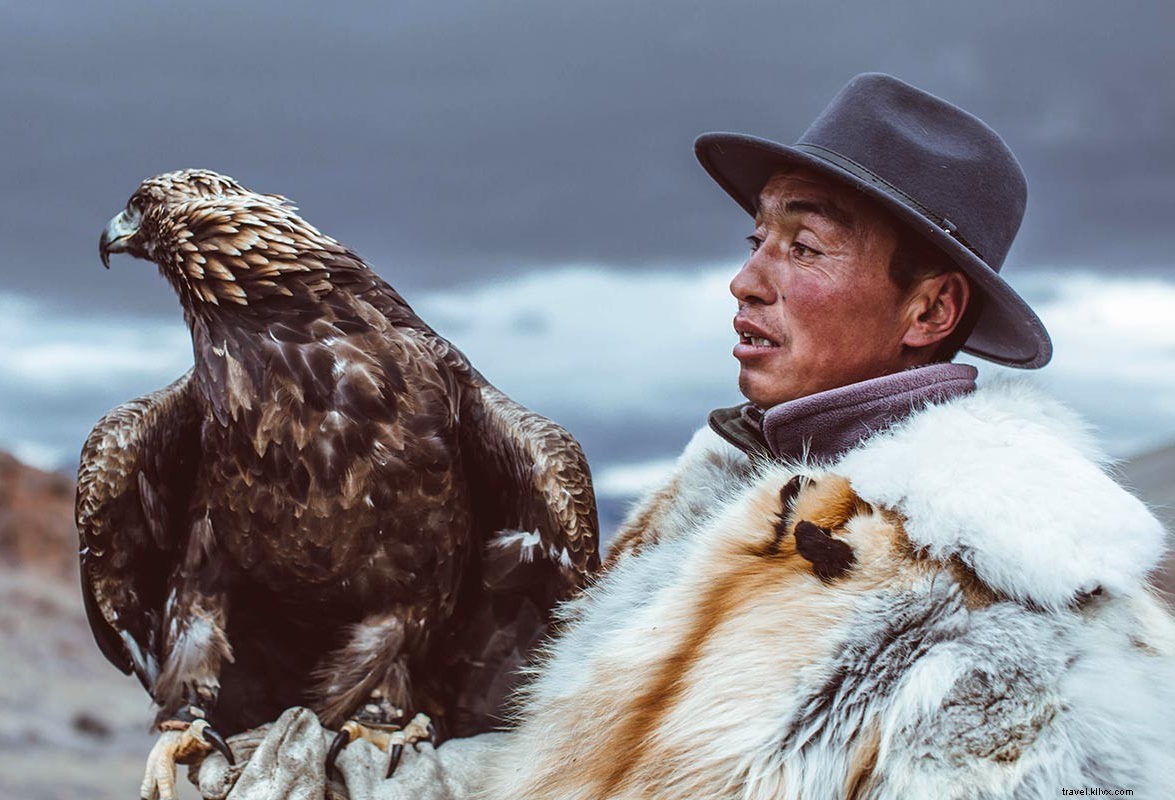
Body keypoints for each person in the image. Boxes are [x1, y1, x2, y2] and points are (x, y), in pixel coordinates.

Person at [484, 73, 1175, 799]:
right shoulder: (702, 510)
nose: (746, 281)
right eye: (758, 238)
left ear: (931, 311)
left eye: (805, 247)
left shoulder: (1008, 590)